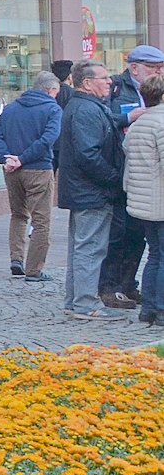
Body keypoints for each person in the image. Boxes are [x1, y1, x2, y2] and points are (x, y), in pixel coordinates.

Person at [57, 61, 128, 322]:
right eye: (104, 78)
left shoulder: (86, 106)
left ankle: (75, 301)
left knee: (82, 247)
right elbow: (88, 155)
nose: (110, 82)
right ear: (86, 83)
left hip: (84, 191)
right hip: (91, 192)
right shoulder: (86, 109)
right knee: (90, 248)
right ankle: (86, 303)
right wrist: (113, 179)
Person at [100, 45, 164, 309]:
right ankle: (110, 287)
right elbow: (103, 120)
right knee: (118, 237)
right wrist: (128, 116)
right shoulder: (115, 88)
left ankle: (130, 286)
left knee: (141, 241)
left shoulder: (152, 93)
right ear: (134, 67)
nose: (158, 72)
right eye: (153, 68)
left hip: (144, 179)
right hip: (124, 174)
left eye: (161, 68)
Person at [0, 71, 63, 282]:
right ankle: (34, 270)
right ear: (50, 90)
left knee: (18, 215)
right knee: (41, 221)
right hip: (38, 169)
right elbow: (48, 138)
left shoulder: (11, 109)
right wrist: (22, 158)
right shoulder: (52, 109)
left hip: (12, 171)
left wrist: (7, 159)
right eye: (56, 92)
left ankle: (16, 259)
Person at [121, 75, 164, 326]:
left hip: (142, 201)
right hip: (159, 201)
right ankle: (160, 309)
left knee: (155, 255)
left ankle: (148, 308)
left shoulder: (139, 123)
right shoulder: (161, 123)